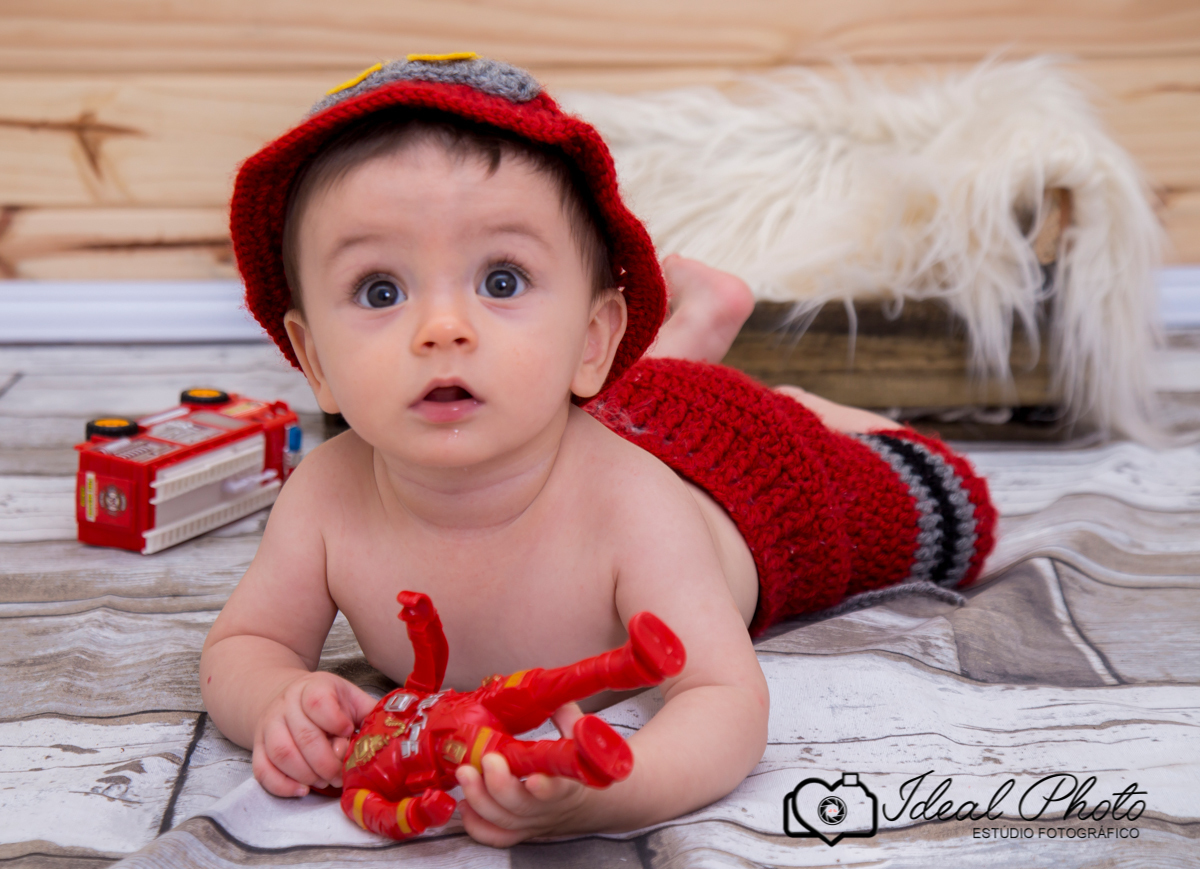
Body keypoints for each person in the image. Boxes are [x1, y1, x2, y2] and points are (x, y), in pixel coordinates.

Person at [201, 54, 996, 847]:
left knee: (933, 498)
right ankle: (693, 329)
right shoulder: (325, 494)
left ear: (592, 339)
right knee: (612, 391)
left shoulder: (631, 507)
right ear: (313, 360)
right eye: (381, 290)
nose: (442, 329)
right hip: (611, 403)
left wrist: (611, 792)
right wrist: (278, 699)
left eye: (502, 281)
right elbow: (244, 646)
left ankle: (796, 401)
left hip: (745, 472)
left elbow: (724, 698)